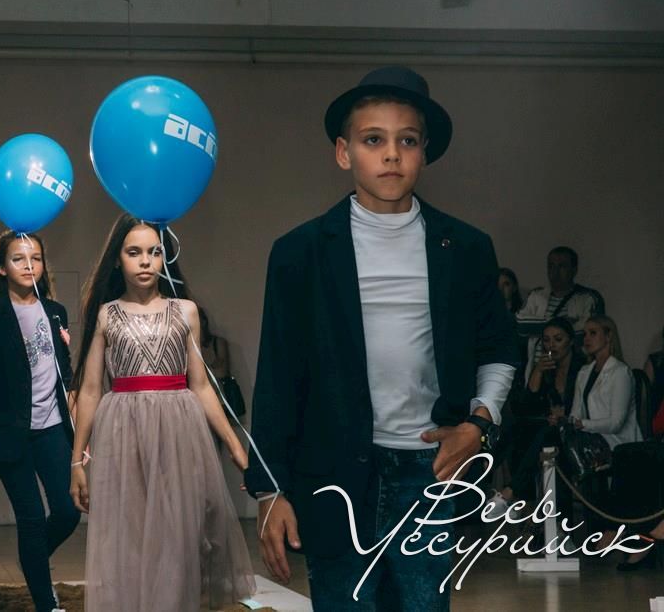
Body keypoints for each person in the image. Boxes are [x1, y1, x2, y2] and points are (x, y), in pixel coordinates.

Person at [245, 66, 519, 611]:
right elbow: (277, 376)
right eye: (374, 140)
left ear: (424, 153)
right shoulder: (301, 252)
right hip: (335, 475)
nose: (391, 154)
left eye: (407, 141)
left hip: (431, 473)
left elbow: (499, 349)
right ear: (343, 152)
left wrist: (477, 426)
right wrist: (269, 489)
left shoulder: (465, 248)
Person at [69, 215, 256, 611]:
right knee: (131, 533)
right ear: (117, 259)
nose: (145, 261)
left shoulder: (186, 311)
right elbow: (90, 390)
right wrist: (77, 460)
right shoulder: (106, 315)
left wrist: (235, 444)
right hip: (123, 430)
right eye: (133, 252)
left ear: (165, 258)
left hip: (178, 428)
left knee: (180, 532)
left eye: (154, 252)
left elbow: (200, 385)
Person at [0, 232, 78, 612]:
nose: (29, 265)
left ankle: (32, 560)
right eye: (18, 259)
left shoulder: (56, 311)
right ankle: (47, 604)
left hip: (52, 428)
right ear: (2, 268)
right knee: (30, 517)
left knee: (67, 511)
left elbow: (65, 373)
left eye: (36, 258)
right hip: (8, 433)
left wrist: (79, 426)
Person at [488, 317, 583, 516]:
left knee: (545, 434)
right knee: (518, 428)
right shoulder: (547, 369)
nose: (551, 345)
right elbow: (526, 407)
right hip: (550, 427)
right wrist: (537, 372)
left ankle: (510, 494)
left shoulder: (582, 368)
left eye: (558, 339)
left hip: (574, 430)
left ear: (570, 341)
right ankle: (487, 478)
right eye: (546, 340)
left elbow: (582, 407)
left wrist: (564, 416)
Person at [516, 246, 605, 378]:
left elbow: (585, 335)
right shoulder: (536, 296)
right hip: (537, 371)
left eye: (562, 266)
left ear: (574, 270)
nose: (555, 272)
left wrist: (537, 326)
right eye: (551, 266)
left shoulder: (588, 298)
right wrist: (562, 323)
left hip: (574, 373)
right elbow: (520, 326)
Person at [569, 316, 641, 450]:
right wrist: (565, 421)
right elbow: (576, 413)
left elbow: (616, 423)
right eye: (585, 334)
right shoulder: (584, 372)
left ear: (608, 336)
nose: (586, 339)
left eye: (593, 333)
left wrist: (584, 424)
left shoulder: (620, 372)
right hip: (592, 441)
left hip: (618, 444)